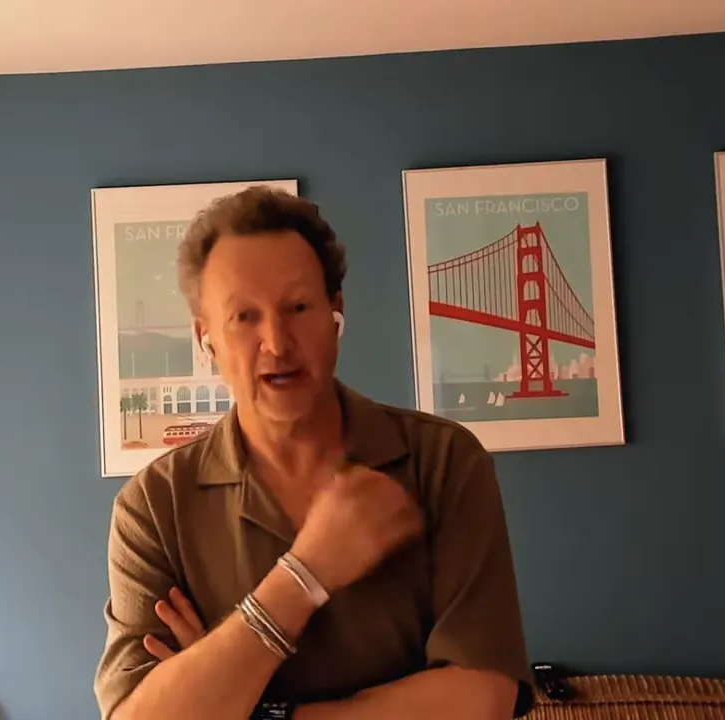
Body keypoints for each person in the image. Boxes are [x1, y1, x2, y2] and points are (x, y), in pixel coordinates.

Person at [93, 186, 534, 720]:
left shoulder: (445, 461)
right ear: (206, 339)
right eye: (244, 318)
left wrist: (250, 706)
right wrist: (305, 574)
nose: (277, 342)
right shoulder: (151, 508)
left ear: (334, 314)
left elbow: (481, 699)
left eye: (298, 307)